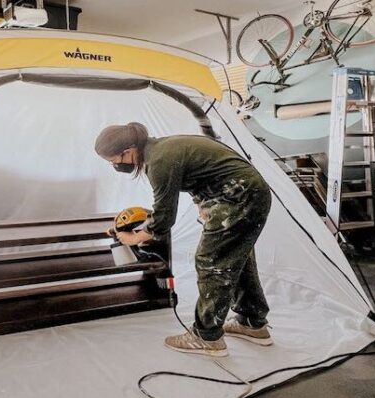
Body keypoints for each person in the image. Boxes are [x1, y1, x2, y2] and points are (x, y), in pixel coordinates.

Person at [94, 122, 273, 357]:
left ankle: (206, 336)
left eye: (113, 160)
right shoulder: (163, 148)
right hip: (246, 193)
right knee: (237, 259)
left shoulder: (159, 161)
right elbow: (202, 173)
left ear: (128, 150)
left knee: (211, 262)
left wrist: (135, 237)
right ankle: (252, 322)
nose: (115, 165)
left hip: (238, 197)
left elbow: (164, 217)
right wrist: (203, 204)